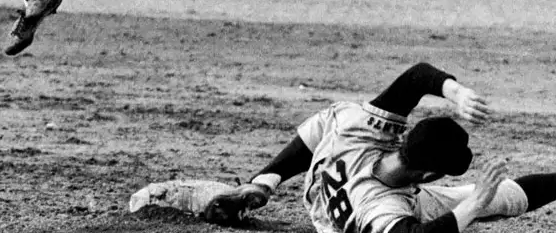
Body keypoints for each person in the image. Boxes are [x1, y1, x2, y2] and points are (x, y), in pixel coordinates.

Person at [205, 61, 556, 232]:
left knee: (328, 122)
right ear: (428, 174)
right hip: (356, 216)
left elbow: (416, 77)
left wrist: (265, 180)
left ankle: (264, 180)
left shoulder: (360, 130)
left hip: (334, 180)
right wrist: (475, 205)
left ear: (404, 137)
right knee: (483, 200)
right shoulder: (382, 205)